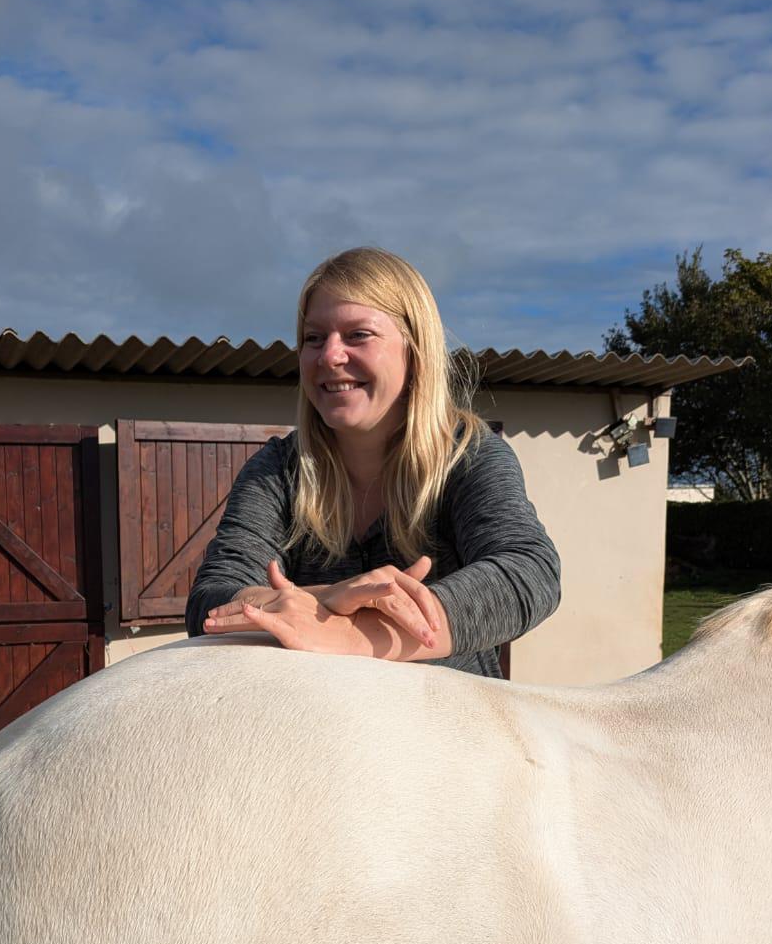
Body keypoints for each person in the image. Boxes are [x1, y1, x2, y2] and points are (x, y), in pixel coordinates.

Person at [186, 247, 560, 675]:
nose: (329, 356)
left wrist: (351, 633)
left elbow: (529, 572)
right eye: (313, 338)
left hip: (452, 727)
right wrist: (327, 598)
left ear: (414, 350)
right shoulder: (276, 470)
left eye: (358, 334)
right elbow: (210, 600)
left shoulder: (468, 456)